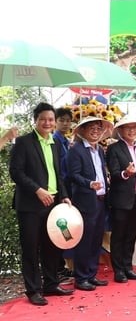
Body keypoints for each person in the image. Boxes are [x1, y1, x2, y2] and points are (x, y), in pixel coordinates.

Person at [9, 103, 74, 306]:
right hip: (30, 205)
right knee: (31, 247)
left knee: (52, 245)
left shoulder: (53, 143)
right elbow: (16, 172)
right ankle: (33, 290)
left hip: (53, 203)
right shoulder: (23, 142)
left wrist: (63, 195)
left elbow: (57, 175)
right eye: (43, 119)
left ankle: (51, 284)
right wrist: (37, 190)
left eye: (51, 119)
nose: (47, 123)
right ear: (35, 120)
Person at [67, 115, 114, 291]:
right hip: (86, 201)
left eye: (98, 128)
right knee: (84, 241)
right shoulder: (76, 150)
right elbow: (73, 175)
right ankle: (81, 278)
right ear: (83, 131)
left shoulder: (100, 150)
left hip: (101, 201)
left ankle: (91, 274)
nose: (95, 131)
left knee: (96, 240)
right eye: (91, 128)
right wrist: (89, 183)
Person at [106, 117, 136, 283]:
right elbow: (114, 173)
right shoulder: (114, 149)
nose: (132, 131)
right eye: (128, 128)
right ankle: (118, 270)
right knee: (119, 235)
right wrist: (126, 173)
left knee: (131, 234)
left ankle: (128, 266)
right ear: (121, 131)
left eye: (135, 128)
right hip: (121, 199)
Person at [53, 107, 73, 278]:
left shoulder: (66, 141)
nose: (65, 123)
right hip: (60, 191)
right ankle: (57, 266)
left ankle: (61, 265)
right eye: (62, 120)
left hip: (67, 190)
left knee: (65, 228)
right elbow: (58, 170)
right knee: (60, 227)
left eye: (68, 120)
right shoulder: (55, 140)